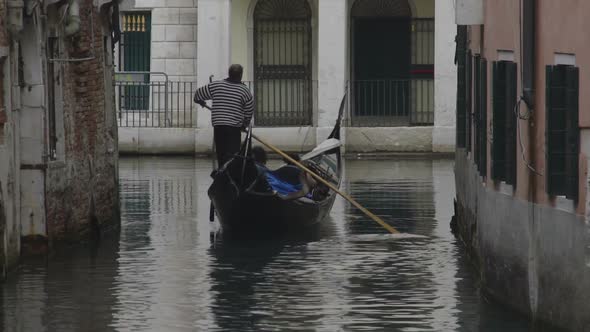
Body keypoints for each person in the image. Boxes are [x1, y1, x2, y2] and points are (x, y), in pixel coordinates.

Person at [194, 64, 254, 167]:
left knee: (221, 155)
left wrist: (200, 101)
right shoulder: (245, 91)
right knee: (233, 156)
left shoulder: (216, 85)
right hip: (234, 128)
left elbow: (197, 94)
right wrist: (244, 125)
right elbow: (249, 111)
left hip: (219, 126)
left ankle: (223, 172)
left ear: (229, 73)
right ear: (240, 75)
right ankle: (230, 175)